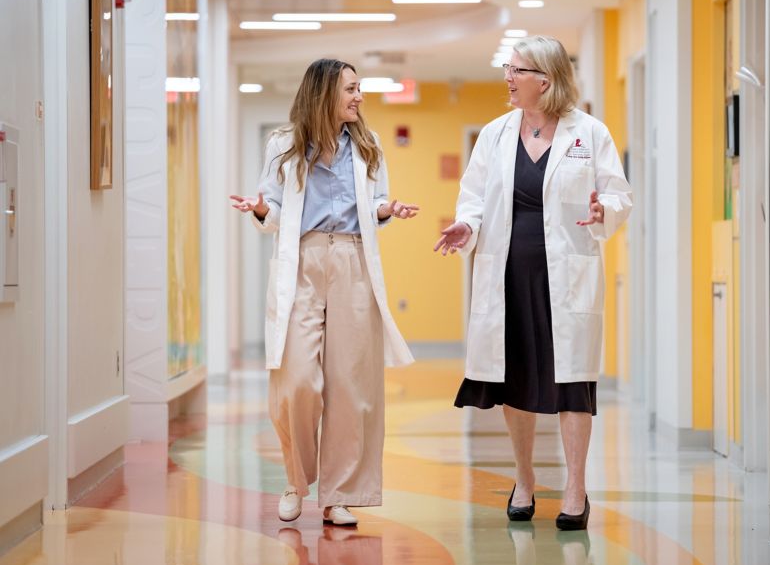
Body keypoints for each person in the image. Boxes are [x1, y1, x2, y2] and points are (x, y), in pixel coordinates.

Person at [434, 36, 632, 531]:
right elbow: (473, 198)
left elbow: (618, 195)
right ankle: (524, 481)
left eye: (516, 69)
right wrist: (466, 226)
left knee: (571, 384)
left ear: (545, 79)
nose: (507, 77)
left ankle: (575, 488)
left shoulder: (589, 132)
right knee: (516, 379)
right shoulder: (495, 134)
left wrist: (602, 210)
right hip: (507, 274)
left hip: (566, 276)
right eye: (508, 67)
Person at [230, 58, 418, 527]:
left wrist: (386, 208)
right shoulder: (284, 144)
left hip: (353, 260)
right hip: (304, 262)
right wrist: (258, 207)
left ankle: (339, 494)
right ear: (324, 93)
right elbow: (272, 210)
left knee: (351, 385)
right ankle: (298, 480)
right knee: (296, 382)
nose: (359, 97)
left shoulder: (369, 145)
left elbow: (374, 202)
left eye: (360, 89)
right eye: (351, 89)